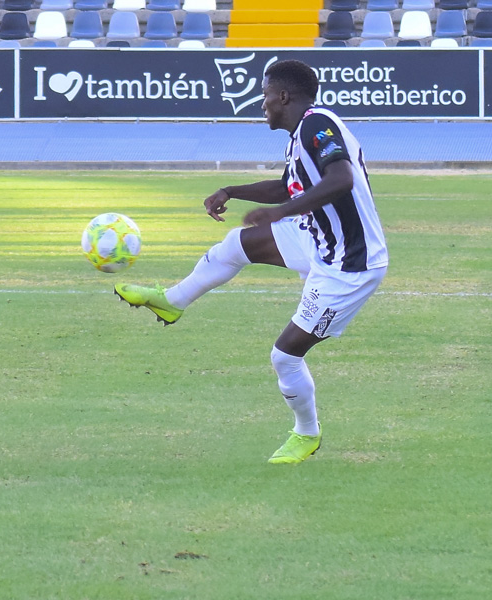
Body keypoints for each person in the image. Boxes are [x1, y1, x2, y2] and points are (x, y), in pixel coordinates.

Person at [114, 59, 388, 465]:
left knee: (285, 356)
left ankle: (306, 434)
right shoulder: (299, 136)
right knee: (235, 244)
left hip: (349, 263)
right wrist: (231, 190)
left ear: (283, 96)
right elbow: (285, 187)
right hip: (316, 239)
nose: (262, 104)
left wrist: (281, 213)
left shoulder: (318, 124)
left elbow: (341, 179)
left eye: (264, 96)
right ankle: (171, 301)